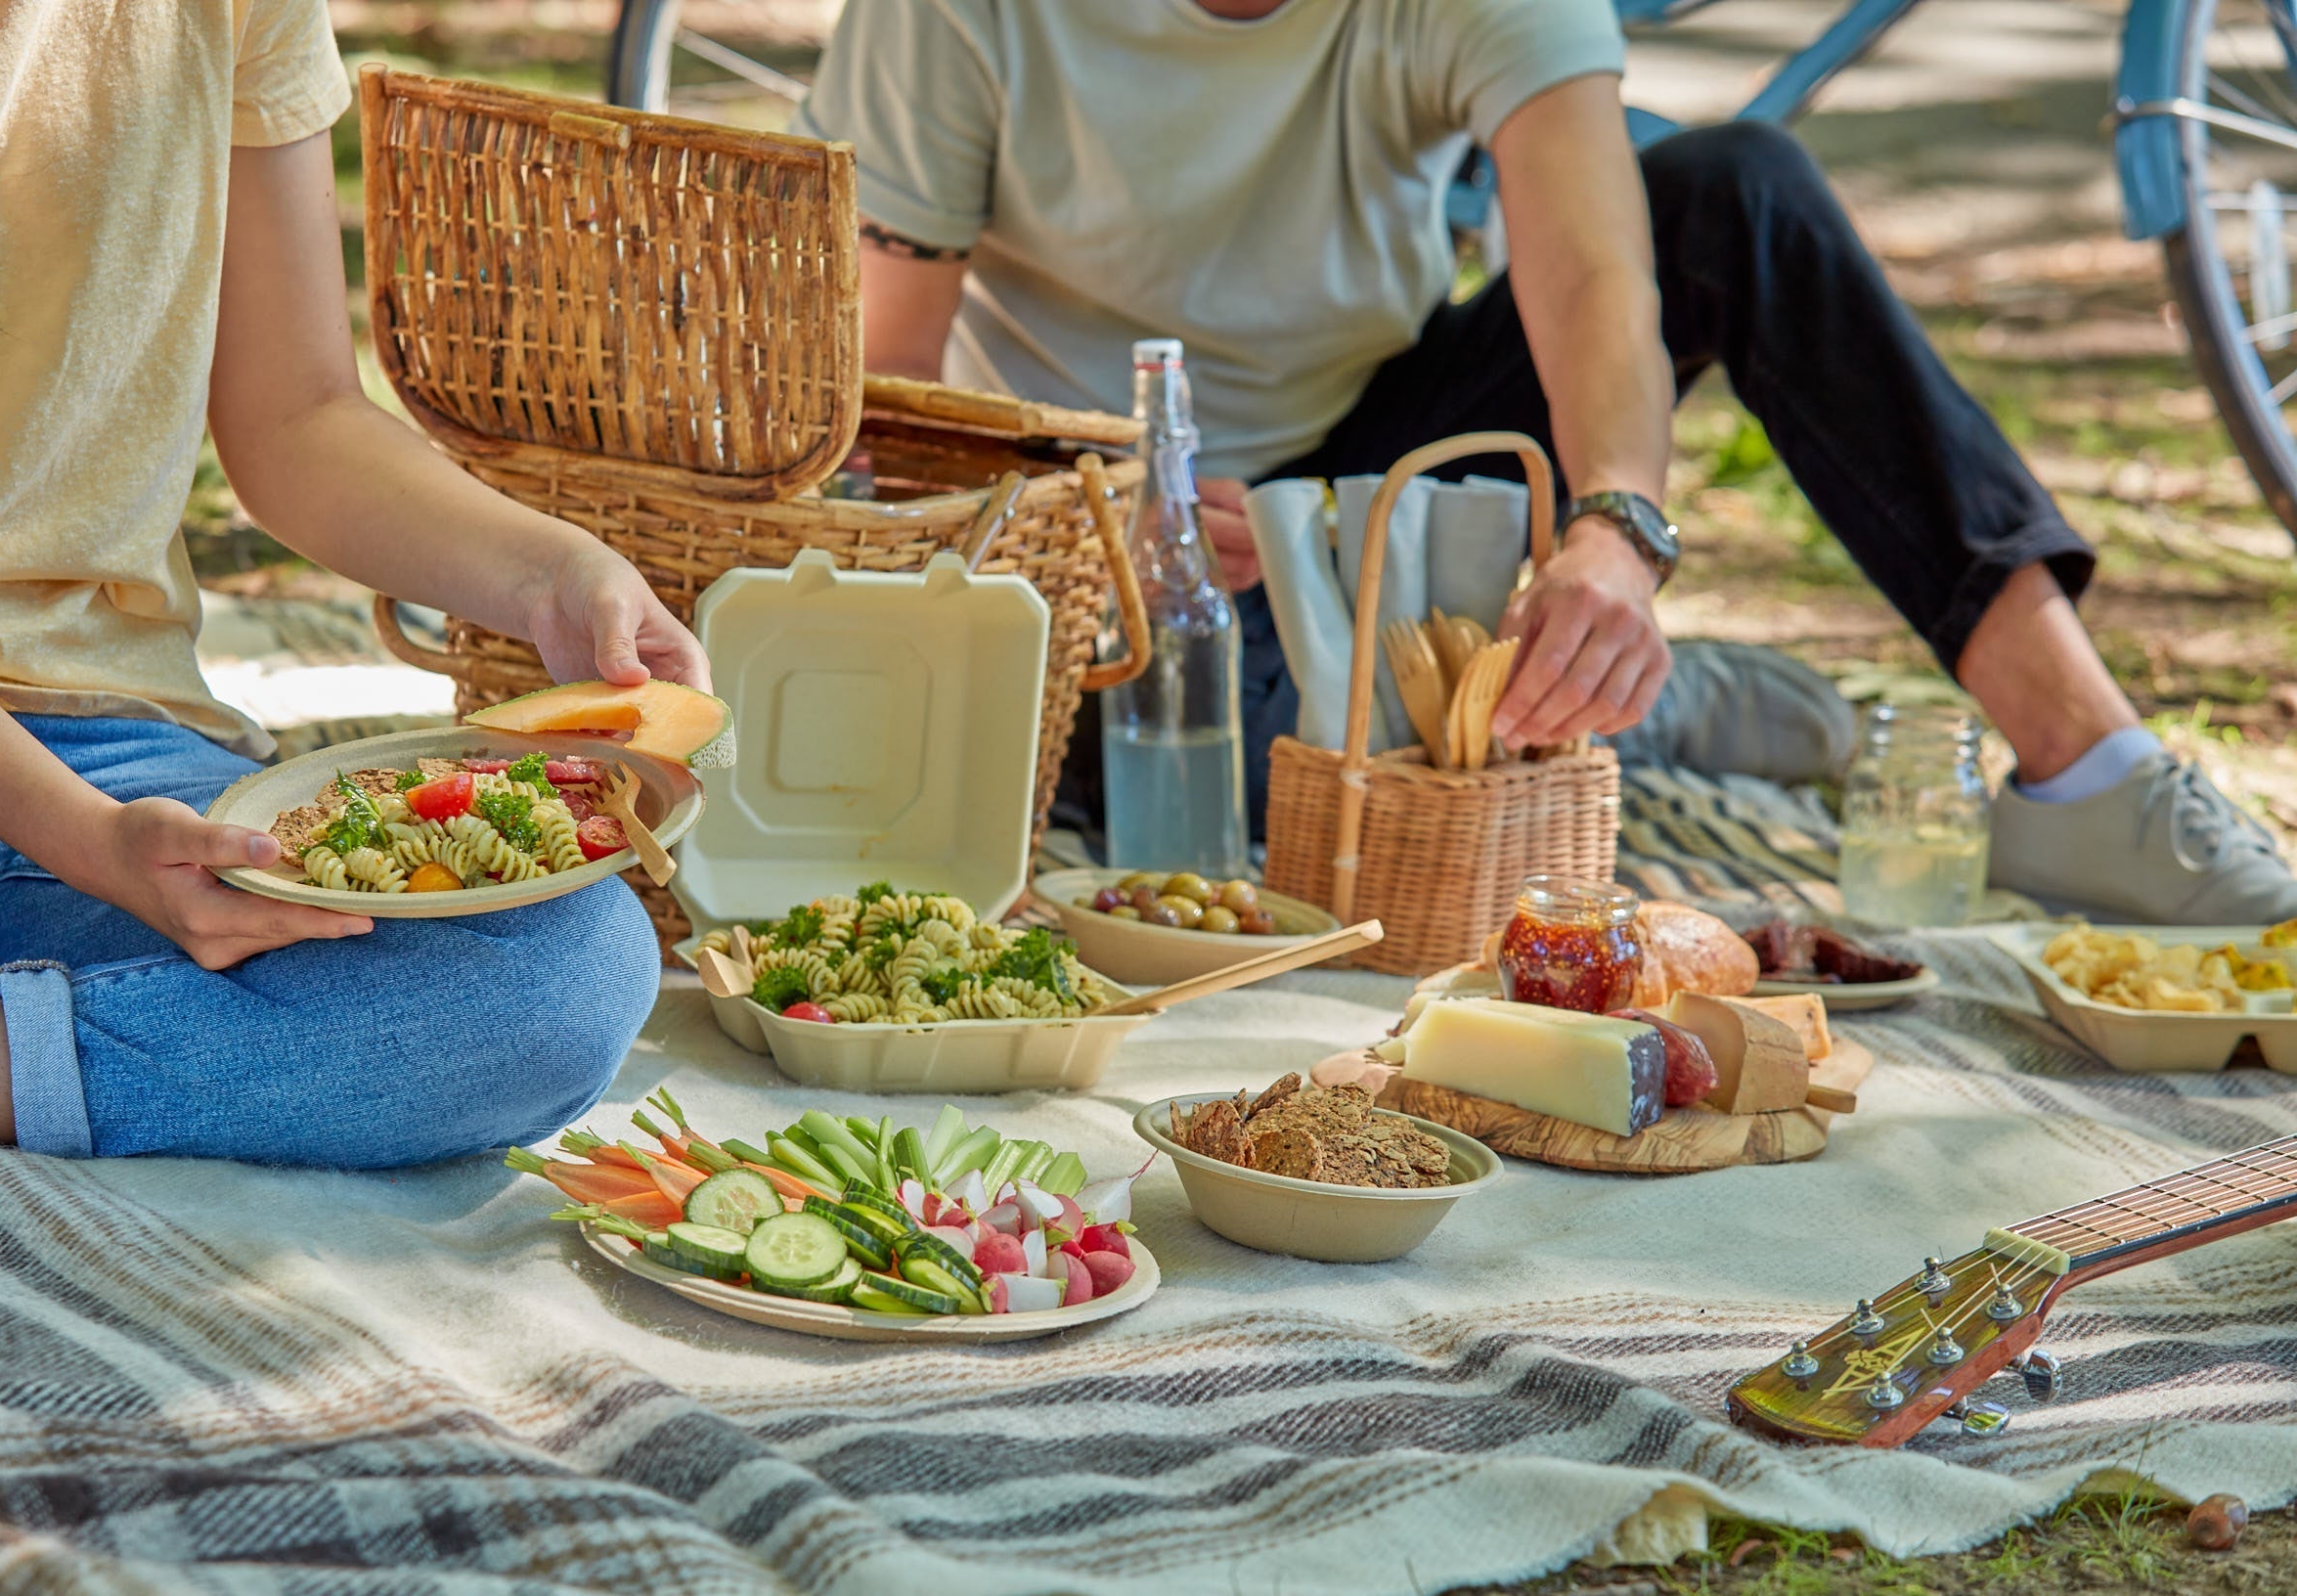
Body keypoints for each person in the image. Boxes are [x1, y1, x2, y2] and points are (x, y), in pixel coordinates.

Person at [799, 0, 2297, 924]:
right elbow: (891, 398)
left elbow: (1593, 277)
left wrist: (1614, 534)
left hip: (1383, 458)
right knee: (1234, 809)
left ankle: (2090, 765)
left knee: (1737, 193)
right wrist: (1091, 516)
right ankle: (1585, 701)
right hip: (1097, 530)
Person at [0, 0, 701, 1162]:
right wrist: (92, 843)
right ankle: (31, 1056)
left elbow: (299, 415)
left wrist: (554, 577)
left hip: (108, 772)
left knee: (558, 969)